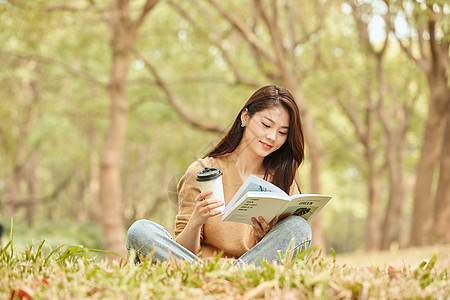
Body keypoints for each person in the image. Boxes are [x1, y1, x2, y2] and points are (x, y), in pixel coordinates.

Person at [127, 85, 312, 266]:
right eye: (266, 125)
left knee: (298, 226)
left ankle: (226, 279)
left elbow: (280, 251)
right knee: (140, 230)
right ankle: (214, 278)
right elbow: (181, 252)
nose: (272, 136)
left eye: (282, 132)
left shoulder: (283, 180)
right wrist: (196, 222)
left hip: (250, 268)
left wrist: (262, 237)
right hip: (199, 265)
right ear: (245, 117)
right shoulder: (201, 171)